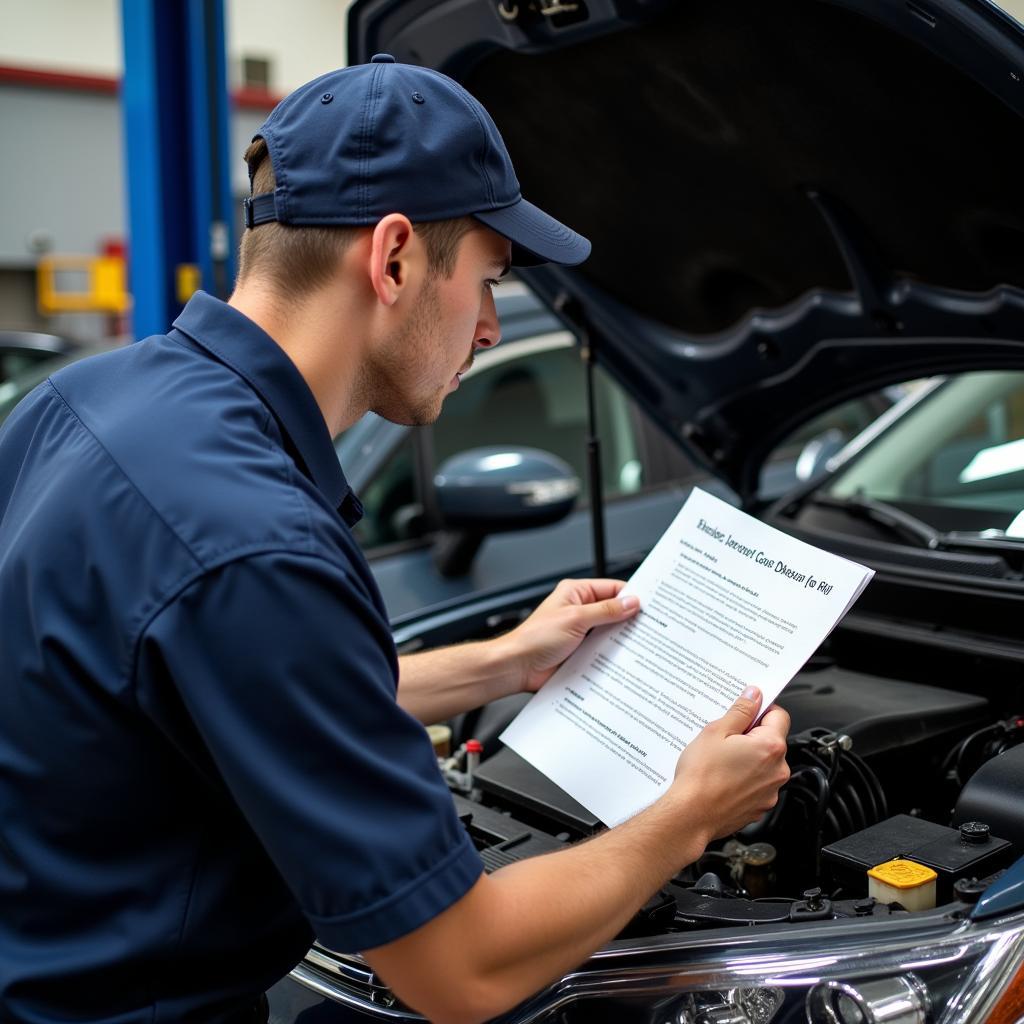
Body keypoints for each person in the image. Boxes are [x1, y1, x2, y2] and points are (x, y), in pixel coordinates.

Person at [0, 56, 790, 1023]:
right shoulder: (256, 542)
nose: (493, 327)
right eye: (490, 281)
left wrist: (501, 663)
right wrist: (690, 816)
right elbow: (459, 969)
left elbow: (210, 686)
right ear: (395, 258)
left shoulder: (81, 401)